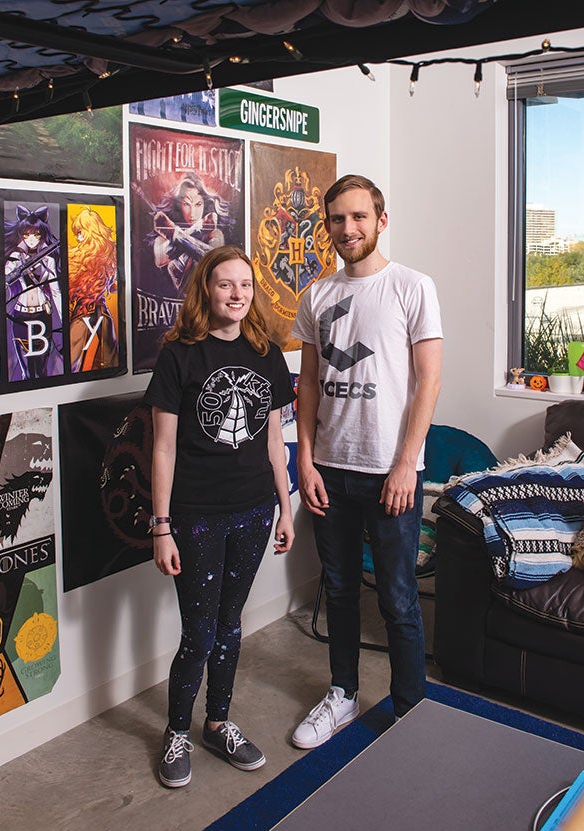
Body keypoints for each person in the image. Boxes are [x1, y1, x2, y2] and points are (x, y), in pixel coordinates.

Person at [290, 174, 443, 748]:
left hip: (389, 472)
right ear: (326, 226)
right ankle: (343, 694)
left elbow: (428, 380)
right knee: (340, 589)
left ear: (381, 220)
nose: (347, 229)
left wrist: (408, 464)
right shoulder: (317, 295)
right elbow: (307, 384)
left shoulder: (412, 286)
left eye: (358, 217)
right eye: (337, 219)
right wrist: (304, 462)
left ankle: (411, 711)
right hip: (330, 469)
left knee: (399, 598)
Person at [143, 244, 295, 788]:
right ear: (206, 288)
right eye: (226, 284)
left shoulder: (266, 352)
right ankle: (177, 730)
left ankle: (218, 722)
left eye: (246, 286)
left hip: (255, 510)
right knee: (200, 633)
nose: (237, 294)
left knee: (231, 625)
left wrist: (286, 506)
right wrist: (162, 526)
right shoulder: (180, 354)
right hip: (197, 514)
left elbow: (277, 437)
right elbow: (162, 448)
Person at [4, 204, 63, 380]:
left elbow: (56, 291)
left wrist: (61, 319)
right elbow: (5, 278)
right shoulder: (16, 257)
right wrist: (16, 264)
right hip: (21, 316)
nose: (31, 239)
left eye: (36, 235)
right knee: (27, 371)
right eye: (27, 235)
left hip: (42, 315)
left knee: (41, 368)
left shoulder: (48, 259)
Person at [148, 172, 229, 295]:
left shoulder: (215, 234)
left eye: (198, 204)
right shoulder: (162, 238)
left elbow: (215, 262)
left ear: (205, 204)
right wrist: (197, 229)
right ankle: (186, 233)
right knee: (172, 265)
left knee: (202, 260)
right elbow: (160, 260)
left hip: (204, 294)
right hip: (180, 295)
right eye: (186, 204)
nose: (192, 213)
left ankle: (177, 235)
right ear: (178, 205)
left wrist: (176, 235)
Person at [68, 207, 118, 372]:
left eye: (81, 232)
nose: (79, 237)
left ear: (92, 231)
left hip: (98, 308)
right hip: (83, 309)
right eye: (77, 233)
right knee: (73, 355)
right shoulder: (75, 256)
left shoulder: (109, 254)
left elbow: (112, 287)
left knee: (110, 353)